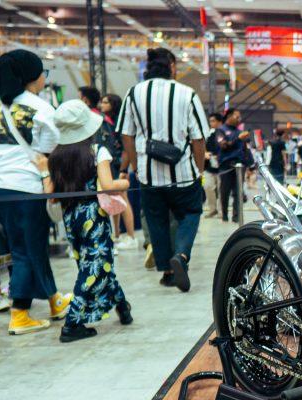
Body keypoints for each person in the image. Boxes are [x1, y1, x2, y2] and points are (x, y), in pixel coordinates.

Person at [0, 49, 72, 335]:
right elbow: (52, 149)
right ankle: (20, 313)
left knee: (32, 245)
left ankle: (54, 300)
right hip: (26, 188)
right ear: (32, 77)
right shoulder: (41, 107)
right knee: (25, 249)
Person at [117, 47, 209, 292]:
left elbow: (126, 134)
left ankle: (168, 273)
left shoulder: (133, 93)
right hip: (183, 174)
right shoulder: (187, 93)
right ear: (172, 66)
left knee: (156, 221)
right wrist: (199, 169)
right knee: (190, 213)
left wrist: (136, 165)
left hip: (149, 174)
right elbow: (199, 138)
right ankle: (181, 255)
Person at [42, 99, 132, 342]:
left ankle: (123, 307)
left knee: (95, 263)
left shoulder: (56, 156)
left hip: (71, 217)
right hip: (94, 216)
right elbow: (109, 185)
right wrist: (125, 183)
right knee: (93, 267)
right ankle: (72, 325)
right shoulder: (97, 152)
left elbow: (51, 194)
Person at [98, 93, 138, 249]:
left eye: (105, 102)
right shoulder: (106, 122)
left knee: (123, 199)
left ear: (113, 105)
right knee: (115, 200)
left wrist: (123, 169)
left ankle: (131, 236)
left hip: (117, 166)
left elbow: (127, 149)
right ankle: (117, 234)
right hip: (111, 165)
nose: (102, 105)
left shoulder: (119, 123)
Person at [215, 107, 248, 223]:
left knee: (238, 192)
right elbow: (223, 145)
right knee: (225, 191)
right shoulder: (221, 130)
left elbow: (244, 149)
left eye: (240, 117)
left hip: (239, 166)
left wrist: (249, 163)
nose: (239, 119)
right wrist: (237, 139)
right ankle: (224, 214)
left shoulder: (239, 131)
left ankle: (236, 216)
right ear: (229, 116)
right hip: (226, 166)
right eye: (236, 116)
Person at [203, 112, 222, 217]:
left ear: (219, 122)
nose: (211, 123)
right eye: (210, 121)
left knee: (221, 189)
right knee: (208, 186)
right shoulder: (208, 134)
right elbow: (201, 145)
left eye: (213, 121)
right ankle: (212, 209)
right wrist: (205, 153)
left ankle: (221, 211)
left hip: (222, 166)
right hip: (209, 165)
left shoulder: (223, 133)